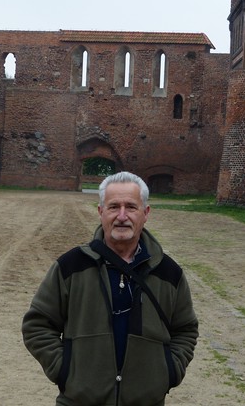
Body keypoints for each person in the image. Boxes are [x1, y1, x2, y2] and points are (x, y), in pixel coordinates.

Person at [22, 171, 199, 406]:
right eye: (114, 207)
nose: (122, 216)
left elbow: (185, 330)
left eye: (131, 207)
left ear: (146, 213)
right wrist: (65, 370)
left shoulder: (169, 273)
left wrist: (169, 371)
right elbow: (37, 325)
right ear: (101, 212)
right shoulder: (71, 267)